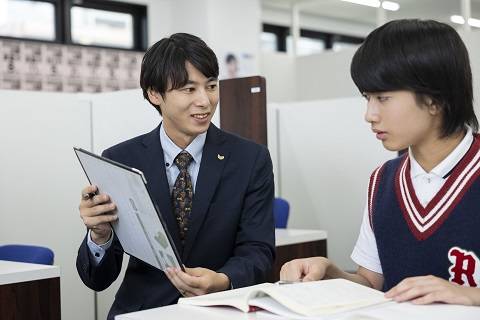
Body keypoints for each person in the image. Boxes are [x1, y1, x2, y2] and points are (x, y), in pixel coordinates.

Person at [280, 19, 480, 306]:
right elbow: (372, 283)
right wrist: (330, 273)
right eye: (367, 97)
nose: (369, 114)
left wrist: (471, 295)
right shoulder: (382, 181)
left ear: (436, 100)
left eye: (383, 97)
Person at [76, 33, 275, 319]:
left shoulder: (250, 159)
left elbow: (258, 250)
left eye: (211, 86)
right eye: (188, 89)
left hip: (219, 308)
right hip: (143, 310)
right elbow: (98, 279)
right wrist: (100, 235)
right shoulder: (121, 160)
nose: (205, 101)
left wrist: (222, 280)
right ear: (154, 94)